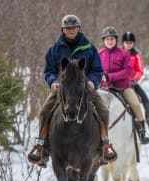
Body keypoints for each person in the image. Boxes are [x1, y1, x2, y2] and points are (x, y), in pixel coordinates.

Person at [27, 15, 117, 167]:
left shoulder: (89, 48)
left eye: (74, 28)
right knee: (44, 111)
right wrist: (53, 82)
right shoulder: (55, 49)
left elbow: (97, 69)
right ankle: (42, 147)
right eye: (68, 28)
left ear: (79, 28)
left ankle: (104, 146)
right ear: (63, 29)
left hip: (84, 89)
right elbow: (48, 71)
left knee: (103, 110)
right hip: (61, 89)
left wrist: (92, 82)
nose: (71, 31)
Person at [99, 26, 149, 144]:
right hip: (104, 88)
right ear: (104, 41)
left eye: (112, 39)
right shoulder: (99, 54)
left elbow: (127, 71)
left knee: (135, 104)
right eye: (107, 39)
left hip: (122, 88)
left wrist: (110, 77)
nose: (110, 41)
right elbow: (95, 71)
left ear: (116, 40)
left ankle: (142, 131)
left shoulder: (123, 54)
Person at [122, 32, 149, 132]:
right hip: (121, 82)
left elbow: (140, 69)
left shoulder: (136, 55)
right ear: (123, 43)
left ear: (133, 43)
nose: (128, 44)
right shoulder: (119, 53)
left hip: (133, 83)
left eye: (130, 42)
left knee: (145, 99)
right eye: (126, 42)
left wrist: (135, 79)